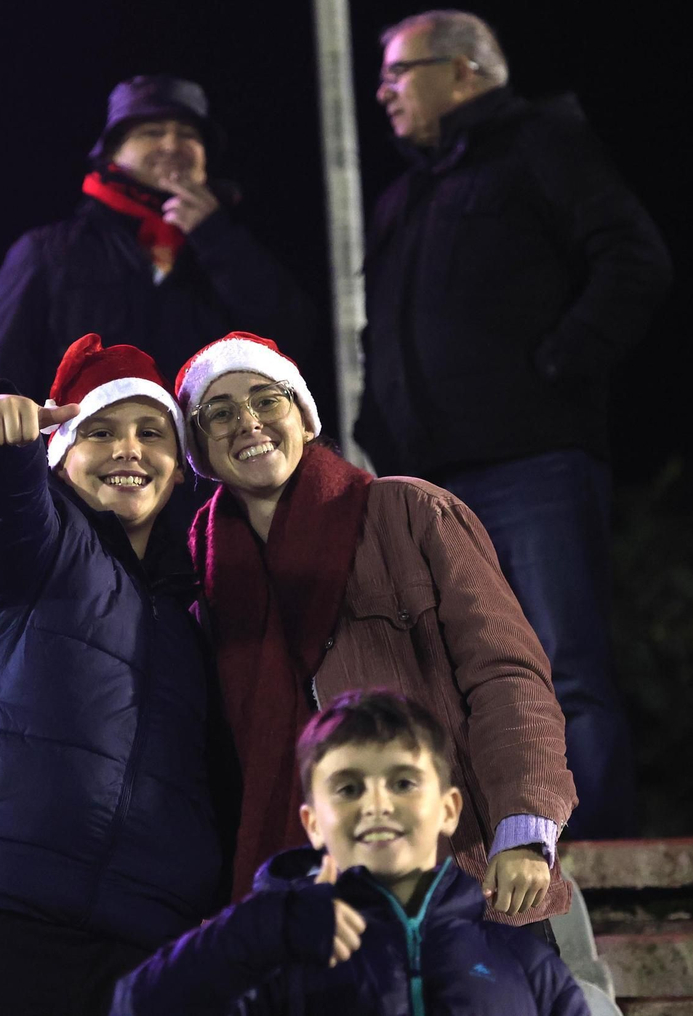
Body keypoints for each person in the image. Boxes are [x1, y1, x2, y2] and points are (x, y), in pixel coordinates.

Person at [356, 11, 672, 839]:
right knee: (450, 679)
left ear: (463, 71)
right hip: (429, 480)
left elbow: (633, 259)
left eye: (398, 72)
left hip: (532, 463)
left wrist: (557, 367)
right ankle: (482, 857)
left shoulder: (541, 143)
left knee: (562, 665)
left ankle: (599, 861)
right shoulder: (407, 192)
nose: (383, 90)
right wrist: (373, 423)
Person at [175, 331, 575, 933]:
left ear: (304, 419)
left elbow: (506, 673)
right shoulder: (205, 587)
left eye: (267, 400)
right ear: (200, 448)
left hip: (459, 880)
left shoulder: (408, 513)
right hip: (316, 909)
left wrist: (523, 826)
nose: (248, 423)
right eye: (220, 413)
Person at [0, 334, 235, 1016]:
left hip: (141, 936)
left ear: (178, 471)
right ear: (60, 457)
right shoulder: (34, 545)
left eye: (151, 433)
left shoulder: (195, 604)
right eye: (100, 431)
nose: (128, 449)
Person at [110, 690, 591, 1016]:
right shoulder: (273, 956)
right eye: (348, 787)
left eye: (403, 782)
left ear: (449, 810)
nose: (377, 804)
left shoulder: (523, 962)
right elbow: (136, 1006)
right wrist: (263, 927)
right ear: (312, 823)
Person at [0, 74, 317, 403]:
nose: (172, 144)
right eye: (151, 131)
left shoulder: (233, 247)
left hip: (202, 463)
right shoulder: (49, 250)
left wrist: (216, 237)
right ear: (112, 154)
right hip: (81, 462)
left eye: (188, 134)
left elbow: (290, 342)